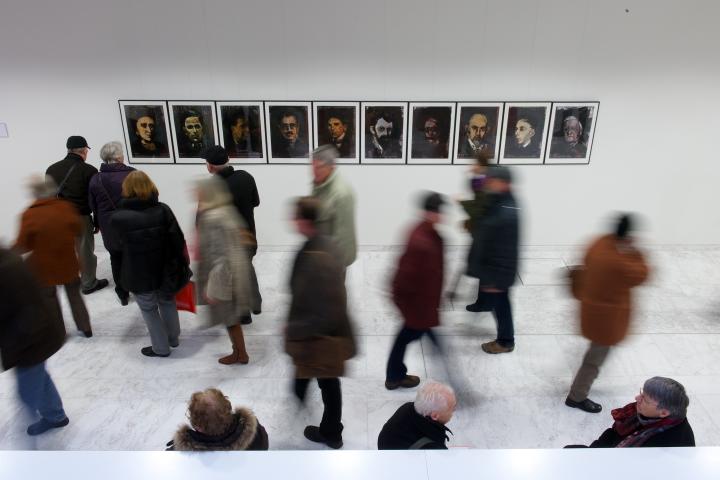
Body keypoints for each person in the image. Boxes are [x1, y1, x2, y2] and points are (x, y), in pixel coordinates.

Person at [284, 197, 356, 449]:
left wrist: (297, 329)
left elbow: (329, 307)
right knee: (324, 379)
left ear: (306, 220)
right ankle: (325, 423)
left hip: (319, 336)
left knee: (327, 381)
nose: (292, 220)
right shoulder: (324, 245)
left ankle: (332, 433)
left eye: (296, 216)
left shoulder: (317, 256)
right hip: (320, 332)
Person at [565, 214, 649, 413]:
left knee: (594, 355)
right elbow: (642, 274)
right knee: (593, 361)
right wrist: (635, 252)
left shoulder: (599, 243)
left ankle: (578, 392)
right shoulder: (619, 262)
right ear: (628, 236)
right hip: (606, 321)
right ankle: (577, 396)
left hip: (591, 311)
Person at [109, 171, 191, 357]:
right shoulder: (163, 210)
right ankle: (173, 339)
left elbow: (116, 249)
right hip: (165, 267)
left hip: (138, 271)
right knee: (167, 300)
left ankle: (161, 348)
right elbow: (177, 239)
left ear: (126, 189)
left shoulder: (118, 217)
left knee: (148, 308)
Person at [0, 248, 69, 436]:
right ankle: (55, 415)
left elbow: (18, 312)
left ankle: (28, 453)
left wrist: (17, 348)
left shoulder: (6, 269)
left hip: (31, 340)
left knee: (27, 393)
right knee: (39, 378)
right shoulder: (8, 259)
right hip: (34, 337)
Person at [14, 175, 93, 338]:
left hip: (43, 267)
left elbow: (23, 244)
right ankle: (85, 328)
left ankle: (59, 332)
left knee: (50, 301)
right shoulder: (66, 207)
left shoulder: (29, 215)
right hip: (68, 262)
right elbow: (77, 229)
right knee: (75, 296)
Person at [385, 192, 445, 390]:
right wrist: (408, 308)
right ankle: (394, 376)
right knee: (410, 339)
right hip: (419, 309)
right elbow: (403, 280)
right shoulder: (422, 241)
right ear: (430, 213)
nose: (442, 215)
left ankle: (394, 375)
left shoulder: (426, 233)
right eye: (438, 211)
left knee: (406, 339)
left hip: (423, 307)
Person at [196, 176, 253, 365]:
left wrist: (213, 287)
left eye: (199, 191)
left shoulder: (213, 217)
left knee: (230, 319)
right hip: (234, 273)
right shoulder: (226, 210)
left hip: (224, 278)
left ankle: (240, 353)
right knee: (231, 319)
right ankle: (239, 352)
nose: (196, 194)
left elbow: (220, 255)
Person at [202, 145, 262, 319]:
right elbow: (255, 202)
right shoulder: (245, 177)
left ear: (211, 167)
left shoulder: (212, 187)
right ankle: (256, 303)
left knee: (234, 277)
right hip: (249, 236)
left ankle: (244, 315)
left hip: (227, 242)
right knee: (247, 267)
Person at [466, 166, 520, 354]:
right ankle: (485, 306)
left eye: (492, 180)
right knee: (499, 302)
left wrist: (496, 279)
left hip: (498, 270)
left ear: (503, 183)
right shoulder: (501, 200)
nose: (488, 183)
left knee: (502, 304)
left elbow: (503, 248)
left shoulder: (506, 211)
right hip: (493, 268)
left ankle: (506, 341)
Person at [46, 135, 108, 294]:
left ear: (68, 150)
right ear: (84, 150)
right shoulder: (89, 170)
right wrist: (97, 221)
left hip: (57, 217)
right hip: (79, 216)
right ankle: (88, 284)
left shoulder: (51, 169)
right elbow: (96, 199)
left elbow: (48, 196)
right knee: (84, 250)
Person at [567, 377, 695, 448]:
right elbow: (614, 432)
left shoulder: (666, 445)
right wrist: (594, 451)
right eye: (641, 393)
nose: (636, 398)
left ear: (663, 413)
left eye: (645, 399)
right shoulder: (644, 413)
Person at [88, 141, 136, 305]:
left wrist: (97, 224)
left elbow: (93, 205)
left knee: (116, 258)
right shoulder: (133, 175)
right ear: (119, 156)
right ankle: (138, 288)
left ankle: (122, 293)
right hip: (132, 223)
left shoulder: (96, 179)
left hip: (109, 225)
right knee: (135, 256)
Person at [447, 151, 490, 300]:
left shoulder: (486, 184)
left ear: (482, 165)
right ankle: (462, 293)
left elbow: (479, 209)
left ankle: (480, 298)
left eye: (475, 163)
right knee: (474, 262)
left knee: (476, 262)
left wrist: (461, 202)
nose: (472, 166)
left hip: (484, 232)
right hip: (480, 229)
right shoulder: (481, 181)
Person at [167, 388, 268, 451]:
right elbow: (264, 445)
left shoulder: (185, 450)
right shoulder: (254, 432)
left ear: (198, 427)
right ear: (229, 409)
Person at [310, 145, 357, 272]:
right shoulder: (319, 184)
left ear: (332, 167)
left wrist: (331, 263)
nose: (314, 171)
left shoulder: (341, 193)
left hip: (333, 260)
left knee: (334, 292)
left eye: (319, 167)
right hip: (320, 253)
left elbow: (343, 236)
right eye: (312, 166)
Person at [378, 381, 456, 450]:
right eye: (451, 409)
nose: (454, 410)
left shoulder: (409, 407)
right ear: (435, 416)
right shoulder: (432, 447)